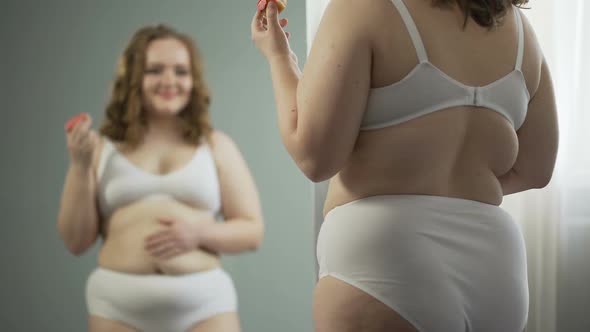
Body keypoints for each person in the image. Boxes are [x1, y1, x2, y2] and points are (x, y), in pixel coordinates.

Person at [251, 0, 558, 331]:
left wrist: (280, 58)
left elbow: (314, 156)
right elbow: (536, 169)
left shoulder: (363, 7)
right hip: (495, 267)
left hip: (386, 259)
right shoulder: (521, 31)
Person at [57, 24, 263, 332]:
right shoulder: (101, 149)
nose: (169, 80)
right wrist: (80, 165)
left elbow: (252, 232)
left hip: (206, 306)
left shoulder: (216, 145)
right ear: (134, 79)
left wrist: (199, 233)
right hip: (117, 308)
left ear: (193, 81)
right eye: (155, 70)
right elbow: (75, 241)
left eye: (181, 71)